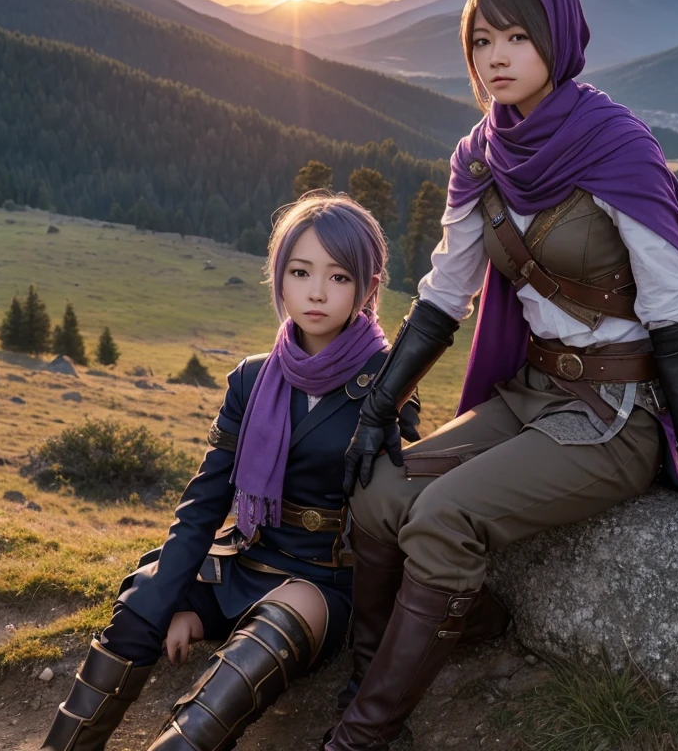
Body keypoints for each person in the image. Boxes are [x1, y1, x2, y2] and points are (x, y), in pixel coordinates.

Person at [322, 0, 678, 751]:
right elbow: (446, 294)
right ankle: (367, 684)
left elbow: (674, 314)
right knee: (375, 494)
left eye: (516, 36)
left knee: (441, 518)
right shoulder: (479, 156)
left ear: (559, 40)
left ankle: (363, 736)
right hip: (531, 394)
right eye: (480, 40)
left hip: (617, 418)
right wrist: (375, 413)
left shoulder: (619, 148)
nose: (495, 56)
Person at [42, 192, 418, 751]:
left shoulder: (388, 384)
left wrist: (368, 673)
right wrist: (170, 602)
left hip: (321, 583)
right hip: (243, 562)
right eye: (300, 272)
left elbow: (388, 528)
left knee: (255, 653)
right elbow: (204, 501)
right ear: (279, 278)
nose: (316, 292)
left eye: (339, 277)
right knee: (141, 601)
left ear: (368, 286)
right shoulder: (251, 378)